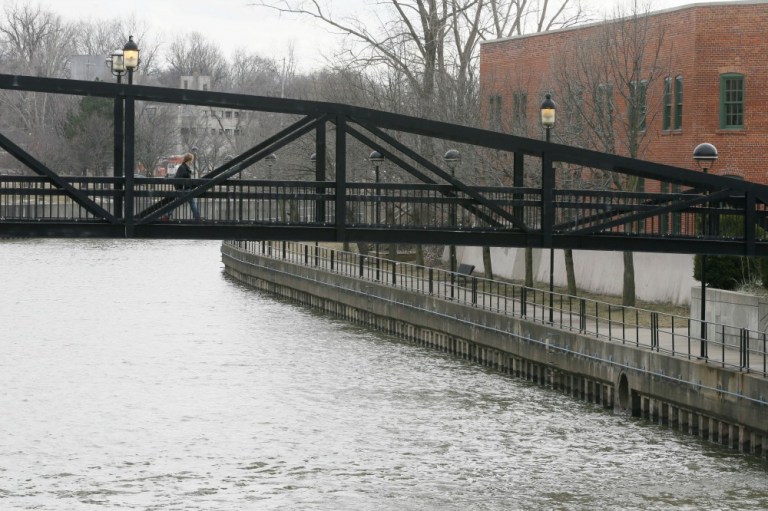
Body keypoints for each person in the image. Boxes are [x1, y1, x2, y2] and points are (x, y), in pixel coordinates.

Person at [172, 152, 201, 221]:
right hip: (184, 189)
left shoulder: (183, 167)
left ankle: (167, 215)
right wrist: (181, 188)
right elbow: (179, 179)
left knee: (175, 203)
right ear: (189, 160)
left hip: (183, 189)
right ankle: (197, 217)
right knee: (191, 203)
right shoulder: (183, 167)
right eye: (191, 160)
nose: (192, 162)